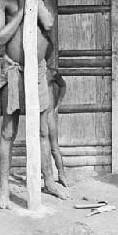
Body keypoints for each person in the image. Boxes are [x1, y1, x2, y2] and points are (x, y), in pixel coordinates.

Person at [0, 0, 69, 209]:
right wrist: (23, 10)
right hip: (13, 70)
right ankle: (3, 190)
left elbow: (47, 23)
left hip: (38, 70)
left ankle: (49, 181)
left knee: (44, 130)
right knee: (8, 131)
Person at [44, 38, 69, 187]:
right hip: (37, 116)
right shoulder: (31, 73)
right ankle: (42, 175)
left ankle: (62, 175)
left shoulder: (52, 73)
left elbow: (63, 86)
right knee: (38, 145)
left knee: (54, 146)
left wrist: (57, 105)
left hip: (49, 115)